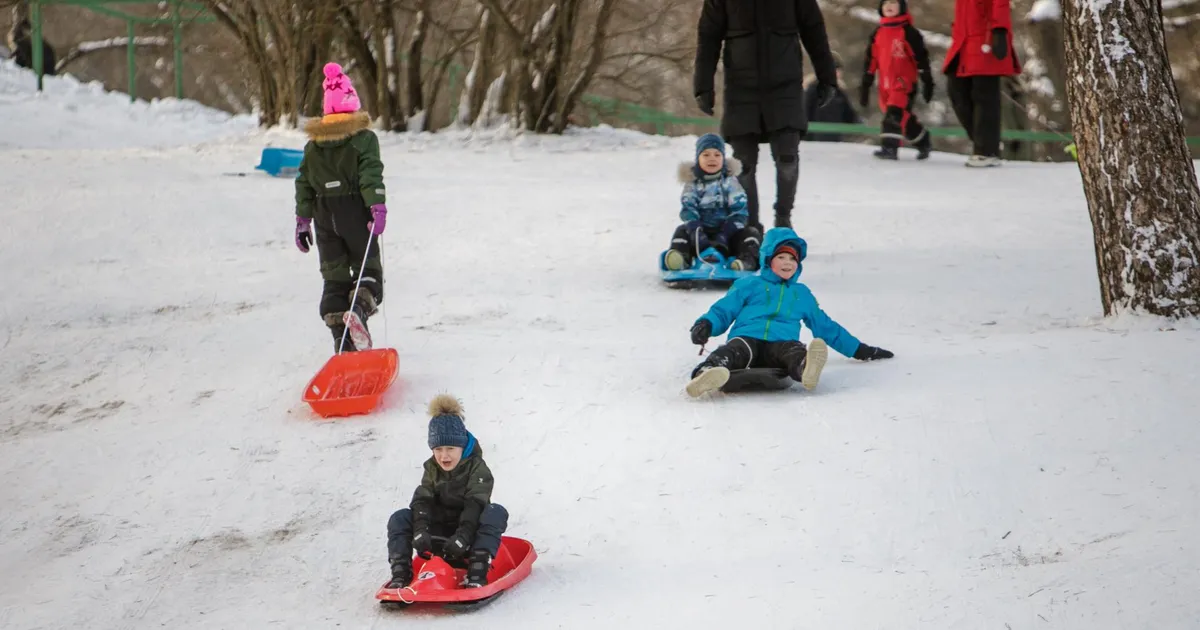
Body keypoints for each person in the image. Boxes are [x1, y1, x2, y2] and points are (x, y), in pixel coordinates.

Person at [685, 227, 894, 397]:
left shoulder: (801, 294)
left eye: (793, 259)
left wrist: (859, 349)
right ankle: (707, 373)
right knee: (733, 351)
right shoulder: (749, 284)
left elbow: (825, 326)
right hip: (747, 338)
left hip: (781, 343)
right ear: (768, 259)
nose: (788, 263)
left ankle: (805, 368)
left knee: (793, 351)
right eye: (781, 257)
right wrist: (706, 324)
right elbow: (724, 310)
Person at [693, 0, 840, 231]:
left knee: (787, 159)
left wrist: (827, 77)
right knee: (744, 164)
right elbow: (708, 36)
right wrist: (703, 85)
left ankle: (783, 219)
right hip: (741, 88)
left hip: (785, 87)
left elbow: (814, 30)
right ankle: (750, 226)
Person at [294, 62, 387, 353]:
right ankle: (358, 309)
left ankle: (342, 341)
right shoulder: (363, 139)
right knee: (367, 269)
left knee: (334, 276)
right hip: (354, 211)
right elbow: (370, 173)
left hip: (324, 216)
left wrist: (303, 220)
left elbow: (304, 182)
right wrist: (377, 206)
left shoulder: (313, 146)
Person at [385, 395, 509, 589]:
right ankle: (401, 574)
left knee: (496, 512)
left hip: (469, 535)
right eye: (438, 449)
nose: (444, 456)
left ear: (462, 446)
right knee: (400, 518)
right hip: (441, 534)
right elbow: (423, 500)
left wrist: (463, 537)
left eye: (450, 448)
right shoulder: (432, 468)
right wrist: (421, 530)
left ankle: (477, 572)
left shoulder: (477, 468)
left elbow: (475, 504)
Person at [665, 133, 762, 272]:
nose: (712, 159)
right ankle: (680, 259)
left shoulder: (730, 182)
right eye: (706, 155)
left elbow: (739, 211)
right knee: (681, 231)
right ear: (698, 159)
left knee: (750, 233)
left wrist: (726, 233)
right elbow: (688, 208)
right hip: (699, 233)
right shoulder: (693, 184)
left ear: (723, 158)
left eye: (717, 155)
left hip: (728, 234)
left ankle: (746, 261)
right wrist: (696, 230)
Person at [943, 0, 1021, 166]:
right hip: (963, 42)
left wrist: (1000, 30)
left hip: (986, 40)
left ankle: (987, 151)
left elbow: (1000, 3)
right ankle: (986, 143)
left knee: (984, 96)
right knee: (957, 91)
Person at [858, 0, 934, 160]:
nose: (888, 6)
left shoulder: (909, 32)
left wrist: (927, 80)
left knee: (893, 115)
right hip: (885, 85)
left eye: (893, 2)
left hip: (904, 84)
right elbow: (871, 60)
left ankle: (889, 148)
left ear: (902, 7)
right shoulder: (878, 33)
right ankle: (923, 140)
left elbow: (921, 58)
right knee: (903, 118)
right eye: (885, 3)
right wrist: (866, 83)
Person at [803, 53, 863, 143]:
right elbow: (805, 115)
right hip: (815, 142)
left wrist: (859, 124)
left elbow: (850, 116)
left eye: (839, 71)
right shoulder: (813, 90)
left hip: (835, 142)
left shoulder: (840, 92)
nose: (837, 74)